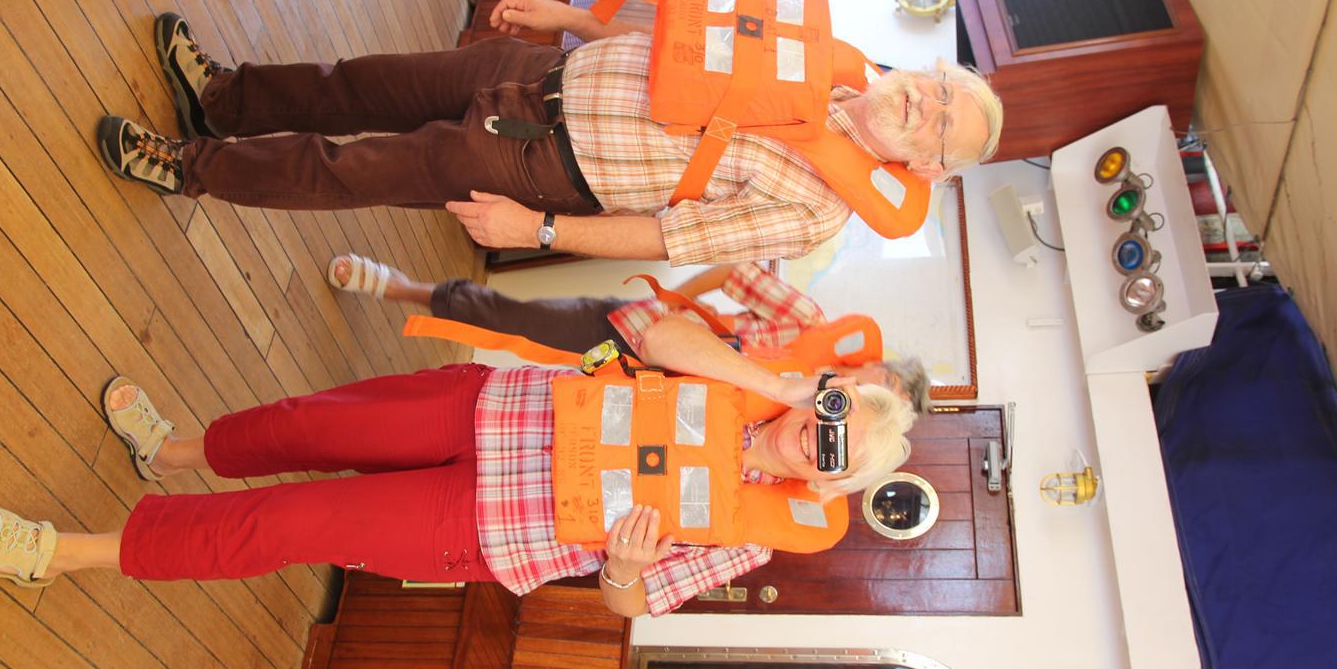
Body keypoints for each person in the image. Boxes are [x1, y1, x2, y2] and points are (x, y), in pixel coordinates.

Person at [0, 308, 914, 619]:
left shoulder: (754, 538)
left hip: (492, 525)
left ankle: (66, 553)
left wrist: (624, 565)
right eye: (832, 410)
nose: (818, 432)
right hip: (490, 408)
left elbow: (630, 605)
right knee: (307, 426)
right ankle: (173, 450)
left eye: (837, 450)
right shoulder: (753, 375)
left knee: (289, 523)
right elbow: (656, 330)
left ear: (829, 482)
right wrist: (782, 384)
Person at [101, 1, 1002, 265]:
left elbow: (666, 238)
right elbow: (682, 37)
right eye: (936, 89)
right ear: (921, 70)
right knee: (360, 83)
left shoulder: (818, 213)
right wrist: (571, 18)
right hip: (543, 69)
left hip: (541, 161)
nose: (921, 106)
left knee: (351, 168)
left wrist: (537, 229)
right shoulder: (826, 57)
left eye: (939, 126)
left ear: (926, 168)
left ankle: (188, 166)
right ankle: (221, 98)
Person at [328, 254, 933, 414]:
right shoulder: (809, 323)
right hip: (633, 334)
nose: (866, 395)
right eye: (880, 384)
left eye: (880, 404)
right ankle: (402, 288)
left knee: (517, 400)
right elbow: (735, 274)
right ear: (873, 365)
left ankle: (386, 406)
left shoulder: (812, 427)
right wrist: (674, 304)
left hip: (643, 406)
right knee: (513, 320)